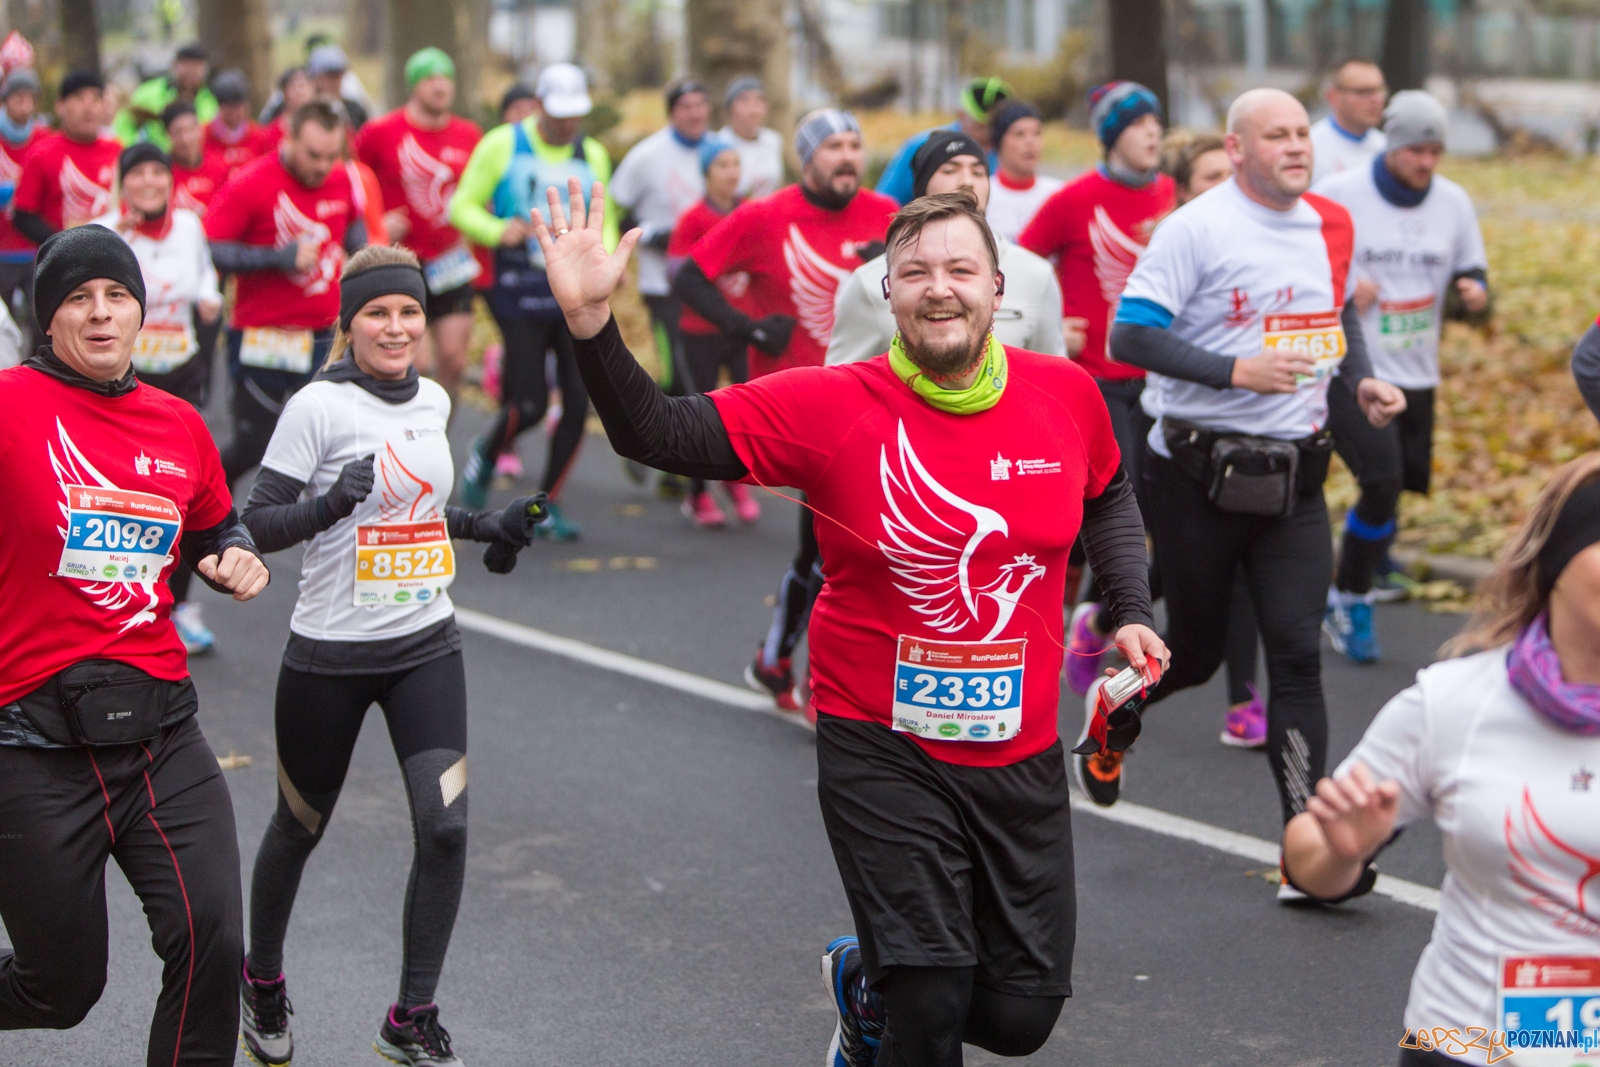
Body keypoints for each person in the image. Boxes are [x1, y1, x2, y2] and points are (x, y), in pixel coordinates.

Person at [539, 175, 1166, 1067]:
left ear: (1000, 286)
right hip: (883, 741)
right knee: (936, 1001)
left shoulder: (1064, 393)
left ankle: (864, 984)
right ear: (887, 291)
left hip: (1018, 745)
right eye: (914, 272)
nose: (938, 286)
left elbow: (1106, 492)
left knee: (1021, 1017)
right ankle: (900, 996)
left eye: (960, 268)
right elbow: (658, 434)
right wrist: (595, 325)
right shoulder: (831, 405)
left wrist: (1130, 611)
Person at [237, 246, 544, 1067]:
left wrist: (488, 525)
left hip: (424, 647)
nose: (398, 327)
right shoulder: (317, 408)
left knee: (445, 830)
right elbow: (253, 524)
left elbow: (417, 509)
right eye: (378, 312)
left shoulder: (436, 398)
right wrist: (330, 502)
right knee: (298, 827)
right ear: (350, 324)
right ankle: (261, 980)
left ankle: (411, 1016)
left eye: (409, 312)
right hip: (328, 656)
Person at [0, 223, 269, 1067]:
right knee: (63, 986)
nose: (102, 313)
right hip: (34, 744)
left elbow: (216, 524)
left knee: (215, 937)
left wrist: (235, 555)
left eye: (116, 294)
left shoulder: (178, 423)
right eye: (77, 298)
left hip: (162, 731)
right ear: (48, 320)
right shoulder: (8, 408)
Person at [1108, 89, 1408, 843]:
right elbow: (1130, 338)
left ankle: (1304, 844)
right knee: (1200, 651)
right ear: (1237, 149)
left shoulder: (1331, 223)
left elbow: (1337, 316)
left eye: (1303, 132)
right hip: (1193, 475)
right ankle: (1116, 704)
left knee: (1297, 655)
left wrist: (1359, 378)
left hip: (1297, 479)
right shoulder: (1196, 228)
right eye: (1276, 135)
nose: (1297, 146)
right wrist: (1234, 371)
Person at [1282, 453, 1600, 1064]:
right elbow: (1307, 863)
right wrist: (1343, 850)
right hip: (1464, 1040)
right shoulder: (1454, 703)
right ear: (1558, 561)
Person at [669, 109, 897, 712]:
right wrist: (749, 329)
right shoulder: (766, 216)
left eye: (855, 143)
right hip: (804, 412)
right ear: (806, 159)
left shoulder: (887, 215)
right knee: (835, 548)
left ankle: (776, 660)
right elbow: (688, 277)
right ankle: (827, 682)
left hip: (879, 406)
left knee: (837, 550)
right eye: (833, 147)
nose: (847, 155)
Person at [1314, 90, 1488, 664]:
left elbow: (1471, 266)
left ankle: (1348, 575)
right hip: (1356, 367)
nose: (1428, 163)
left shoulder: (1453, 202)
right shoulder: (1343, 195)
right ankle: (1349, 596)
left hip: (1418, 368)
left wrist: (1472, 290)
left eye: (1437, 151)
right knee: (1382, 480)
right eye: (1418, 150)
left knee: (1398, 490)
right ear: (1394, 145)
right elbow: (1298, 260)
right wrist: (1344, 286)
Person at [1016, 81, 1174, 701]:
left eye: (1156, 123)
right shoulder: (1076, 199)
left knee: (1161, 517)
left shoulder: (1172, 195)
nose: (1152, 134)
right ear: (1112, 136)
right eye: (1137, 125)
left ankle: (1093, 618)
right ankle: (1089, 627)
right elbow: (1018, 267)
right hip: (1095, 382)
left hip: (1159, 379)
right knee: (1117, 510)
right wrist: (1057, 324)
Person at [448, 61, 612, 539]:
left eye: (574, 115)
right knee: (530, 403)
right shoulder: (503, 143)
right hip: (516, 288)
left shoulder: (592, 152)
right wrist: (500, 229)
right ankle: (487, 449)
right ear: (538, 106)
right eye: (558, 114)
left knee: (579, 402)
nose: (567, 124)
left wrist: (608, 262)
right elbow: (461, 206)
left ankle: (547, 504)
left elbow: (605, 216)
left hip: (575, 292)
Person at [1158, 130, 1268, 748]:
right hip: (1172, 438)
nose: (1222, 191)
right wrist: (1229, 369)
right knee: (1181, 591)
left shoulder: (1268, 245)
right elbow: (1140, 339)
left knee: (1251, 573)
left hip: (1255, 441)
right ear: (1181, 189)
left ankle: (1244, 703)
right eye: (1207, 179)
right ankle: (1107, 632)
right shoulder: (1174, 247)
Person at [95, 142, 224, 653]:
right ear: (122, 182)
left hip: (183, 371)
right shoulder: (105, 231)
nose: (149, 181)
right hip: (127, 377)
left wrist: (211, 296)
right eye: (138, 173)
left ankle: (181, 606)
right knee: (129, 491)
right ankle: (120, 600)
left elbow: (205, 271)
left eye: (158, 172)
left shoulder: (190, 225)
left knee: (184, 494)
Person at [205, 100, 367, 487]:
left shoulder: (343, 178)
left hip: (324, 336)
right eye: (313, 155)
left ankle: (317, 534)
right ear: (289, 138)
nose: (322, 167)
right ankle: (204, 514)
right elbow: (211, 247)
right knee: (256, 442)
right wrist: (279, 258)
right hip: (262, 335)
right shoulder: (250, 181)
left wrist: (363, 260)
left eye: (332, 156)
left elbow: (353, 231)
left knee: (328, 445)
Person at [827, 129, 1063, 364]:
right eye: (950, 170)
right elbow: (838, 386)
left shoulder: (1036, 274)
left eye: (978, 172)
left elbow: (1055, 378)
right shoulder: (870, 282)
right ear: (921, 187)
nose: (967, 181)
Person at [356, 47, 482, 407]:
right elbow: (351, 183)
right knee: (416, 363)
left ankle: (436, 437)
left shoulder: (468, 135)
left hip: (451, 262)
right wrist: (376, 223)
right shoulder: (380, 132)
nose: (440, 86)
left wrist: (474, 227)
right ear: (413, 85)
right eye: (430, 78)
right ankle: (403, 433)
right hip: (400, 262)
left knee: (455, 362)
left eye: (446, 78)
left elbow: (482, 194)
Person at [664, 136, 762, 528]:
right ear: (706, 173)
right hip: (700, 330)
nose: (731, 173)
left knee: (749, 411)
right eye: (722, 165)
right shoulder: (693, 219)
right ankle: (698, 494)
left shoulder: (752, 213)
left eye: (736, 165)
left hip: (741, 330)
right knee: (703, 415)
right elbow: (676, 272)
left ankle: (735, 480)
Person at [610, 78, 712, 402]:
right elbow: (614, 207)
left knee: (702, 375)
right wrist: (653, 234)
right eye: (685, 107)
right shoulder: (647, 155)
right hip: (662, 286)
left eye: (700, 105)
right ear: (671, 113)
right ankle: (643, 437)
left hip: (711, 283)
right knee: (677, 375)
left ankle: (656, 440)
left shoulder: (720, 150)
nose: (695, 113)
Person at [13, 70, 123, 240]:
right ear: (60, 106)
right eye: (79, 98)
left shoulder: (118, 151)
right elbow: (22, 216)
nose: (88, 107)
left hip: (111, 257)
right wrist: (62, 243)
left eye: (96, 99)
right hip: (60, 260)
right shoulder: (41, 154)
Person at [875, 76, 1011, 207]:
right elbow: (885, 203)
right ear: (961, 115)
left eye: (996, 126)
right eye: (981, 125)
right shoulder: (923, 145)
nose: (989, 133)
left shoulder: (1007, 148)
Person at [0, 68, 48, 348]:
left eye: (29, 99)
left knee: (39, 319)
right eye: (17, 98)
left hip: (33, 247)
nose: (23, 105)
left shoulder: (43, 138)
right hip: (3, 249)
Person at [982, 101, 1062, 242]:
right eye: (1019, 134)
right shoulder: (983, 195)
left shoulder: (1058, 193)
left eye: (1037, 133)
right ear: (998, 142)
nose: (1030, 141)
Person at [114, 41, 217, 149]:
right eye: (185, 66)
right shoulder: (150, 93)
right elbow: (123, 123)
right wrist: (135, 150)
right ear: (174, 66)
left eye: (196, 68)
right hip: (157, 159)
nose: (190, 72)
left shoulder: (211, 101)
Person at [1309, 58, 1388, 184]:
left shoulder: (1387, 148)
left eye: (1379, 91)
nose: (1375, 100)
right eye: (1363, 91)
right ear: (1333, 96)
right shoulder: (1310, 148)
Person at [719, 75, 783, 199]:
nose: (753, 107)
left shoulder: (774, 140)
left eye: (760, 100)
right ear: (730, 107)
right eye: (744, 100)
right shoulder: (719, 143)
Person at [205, 69, 273, 181]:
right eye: (228, 106)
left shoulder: (260, 136)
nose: (234, 113)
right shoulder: (204, 135)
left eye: (238, 106)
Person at [164, 102, 231, 216]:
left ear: (200, 129)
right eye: (178, 132)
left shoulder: (220, 167)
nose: (186, 139)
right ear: (168, 135)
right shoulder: (162, 172)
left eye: (191, 130)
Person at [308, 44, 367, 130]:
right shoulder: (306, 111)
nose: (336, 80)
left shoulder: (354, 109)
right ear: (316, 78)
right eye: (330, 75)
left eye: (339, 74)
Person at [259, 67, 315, 155]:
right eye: (293, 86)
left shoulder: (323, 126)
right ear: (284, 92)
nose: (299, 92)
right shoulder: (269, 132)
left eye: (302, 85)